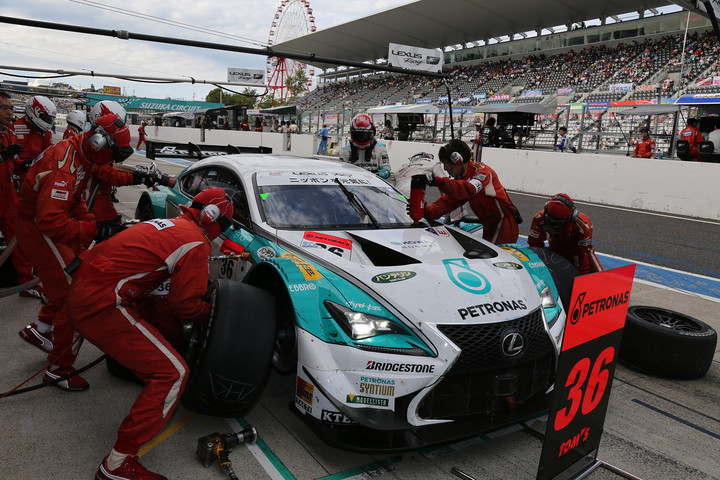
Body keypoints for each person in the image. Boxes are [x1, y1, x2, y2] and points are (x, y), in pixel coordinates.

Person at [67, 188, 233, 480]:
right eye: (226, 225)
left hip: (85, 287)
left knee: (160, 353)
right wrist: (212, 313)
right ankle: (117, 464)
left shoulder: (169, 223)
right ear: (211, 217)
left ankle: (58, 367)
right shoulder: (196, 242)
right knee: (173, 373)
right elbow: (185, 306)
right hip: (103, 303)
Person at [15, 113, 134, 390]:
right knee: (75, 295)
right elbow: (50, 221)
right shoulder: (63, 166)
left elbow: (76, 198)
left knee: (70, 281)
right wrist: (93, 230)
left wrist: (92, 224)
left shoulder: (81, 154)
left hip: (46, 224)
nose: (114, 161)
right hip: (39, 228)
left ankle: (42, 329)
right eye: (115, 154)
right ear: (99, 142)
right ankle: (59, 368)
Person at [423, 139, 520, 245]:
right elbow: (445, 204)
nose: (445, 169)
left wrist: (436, 181)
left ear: (457, 160)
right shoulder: (462, 181)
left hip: (504, 224)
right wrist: (423, 211)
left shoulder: (482, 173)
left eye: (445, 164)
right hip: (490, 225)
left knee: (490, 255)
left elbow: (469, 189)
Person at [0, 91, 42, 301]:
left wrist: (22, 164)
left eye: (11, 108)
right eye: (4, 108)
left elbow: (13, 161)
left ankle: (26, 282)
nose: (10, 112)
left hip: (8, 194)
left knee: (20, 238)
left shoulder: (9, 132)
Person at [527, 193, 603, 274]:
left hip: (577, 252)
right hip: (554, 247)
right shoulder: (539, 219)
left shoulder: (583, 227)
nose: (554, 225)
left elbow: (580, 254)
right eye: (551, 220)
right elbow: (534, 244)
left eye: (559, 222)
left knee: (590, 272)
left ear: (572, 216)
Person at [12, 95, 55, 179]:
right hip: (14, 174)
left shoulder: (46, 132)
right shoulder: (13, 127)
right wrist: (20, 163)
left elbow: (49, 153)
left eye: (50, 119)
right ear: (33, 111)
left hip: (35, 175)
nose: (48, 122)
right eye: (45, 118)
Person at [339, 113, 391, 179]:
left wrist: (376, 174)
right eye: (358, 134)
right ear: (352, 133)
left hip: (373, 182)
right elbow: (340, 173)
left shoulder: (380, 148)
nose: (362, 138)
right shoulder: (345, 151)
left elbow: (387, 170)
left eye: (365, 134)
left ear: (372, 133)